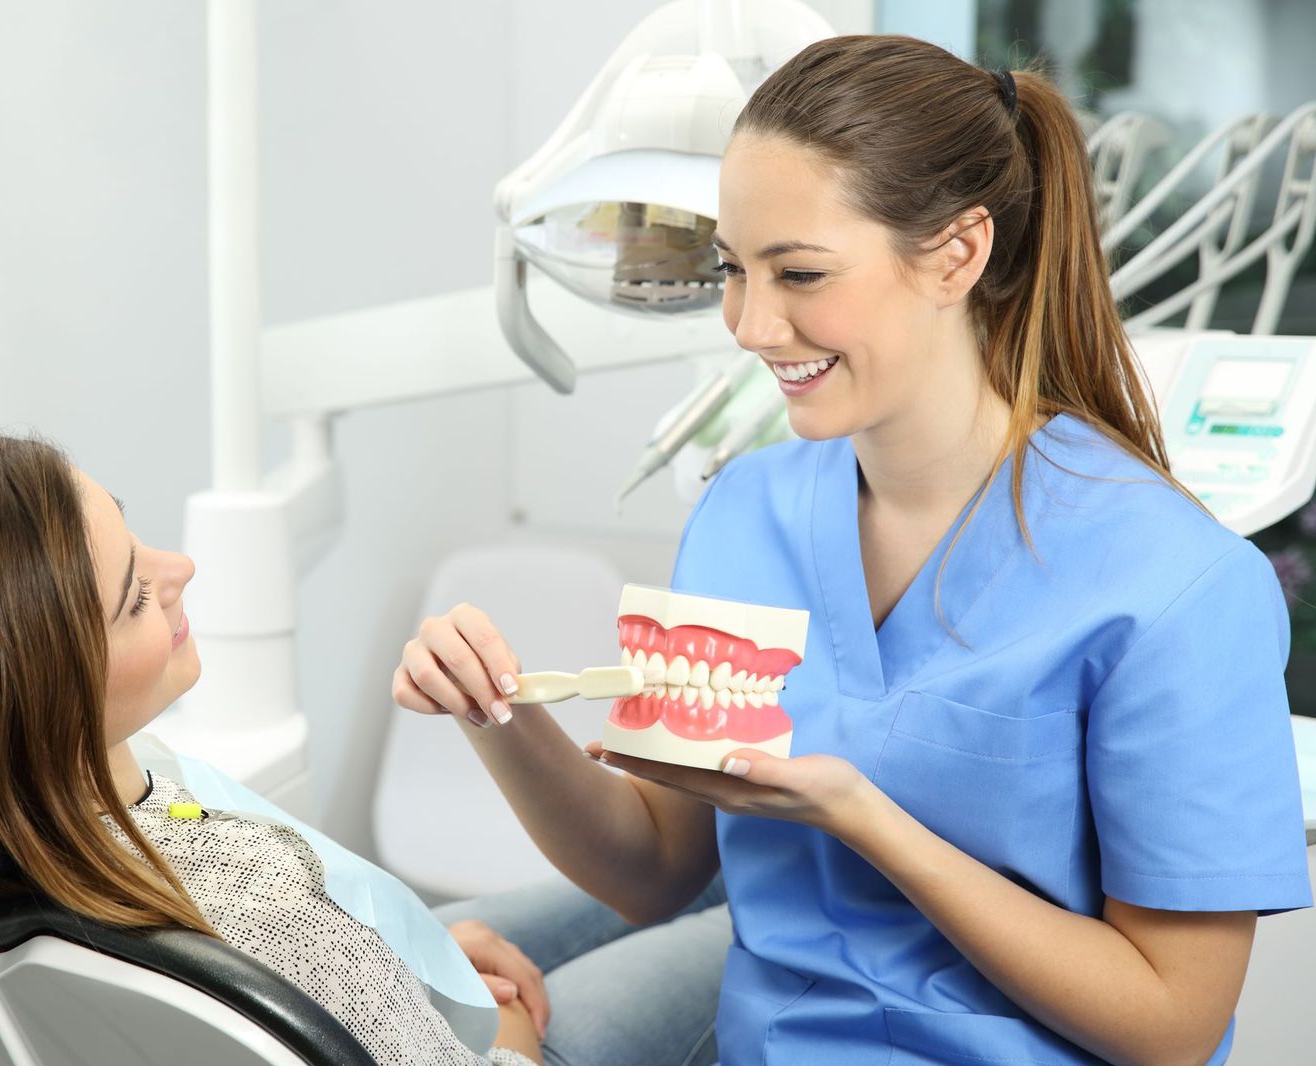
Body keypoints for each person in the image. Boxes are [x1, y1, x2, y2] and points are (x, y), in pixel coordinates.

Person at [395, 35, 1312, 1066]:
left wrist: (864, 818)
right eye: (732, 270)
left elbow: (1173, 1025)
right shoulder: (745, 513)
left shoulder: (1174, 586)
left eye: (799, 273)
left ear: (958, 254)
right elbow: (654, 865)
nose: (749, 322)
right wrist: (500, 714)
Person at [0, 428, 545, 1066]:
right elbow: (317, 962)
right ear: (41, 700)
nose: (182, 569)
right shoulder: (259, 917)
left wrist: (387, 965)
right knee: (672, 927)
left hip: (357, 967)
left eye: (135, 542)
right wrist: (514, 1032)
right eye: (135, 596)